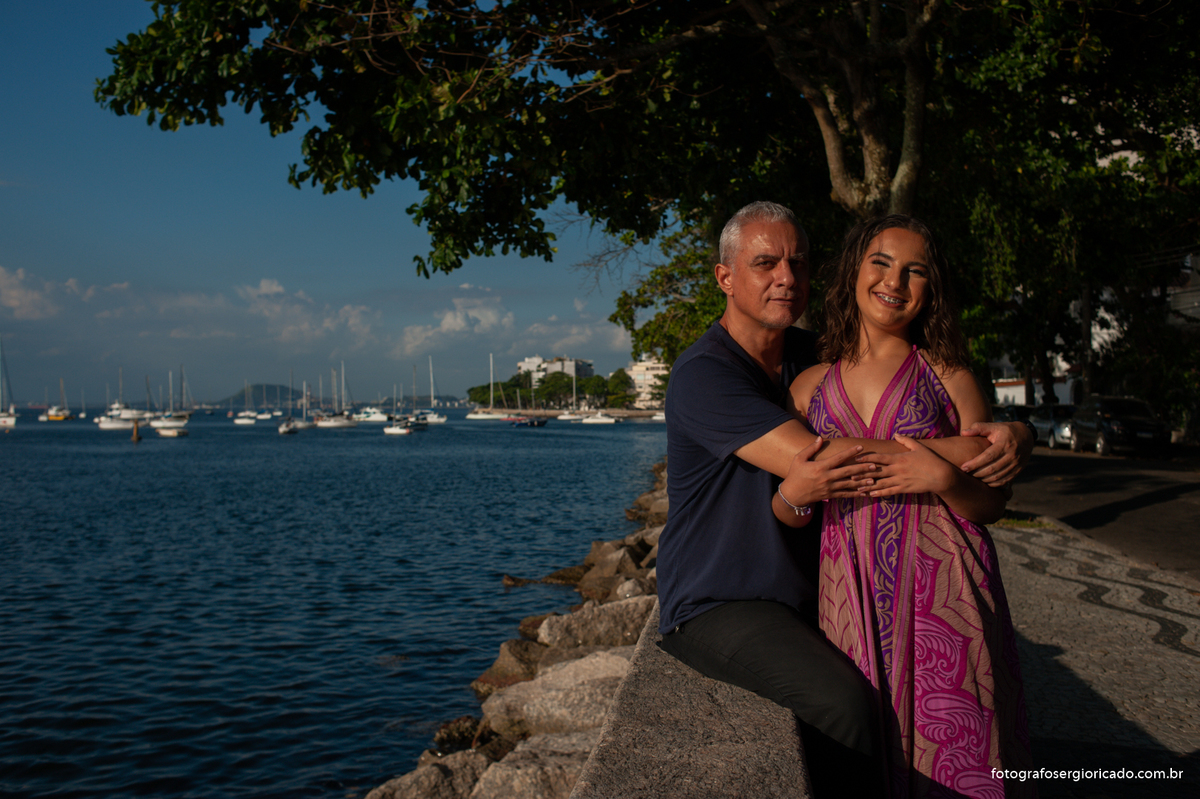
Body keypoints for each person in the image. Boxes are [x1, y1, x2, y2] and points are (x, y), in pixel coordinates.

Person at [657, 201, 1033, 797]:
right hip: (722, 595)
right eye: (765, 263)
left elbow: (815, 486)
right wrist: (960, 453)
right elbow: (825, 461)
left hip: (820, 584)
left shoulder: (815, 354)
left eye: (798, 262)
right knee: (845, 704)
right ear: (725, 277)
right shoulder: (705, 374)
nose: (786, 276)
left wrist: (1015, 433)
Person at [776, 215, 1035, 796]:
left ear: (931, 289)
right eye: (882, 262)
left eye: (916, 270)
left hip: (945, 591)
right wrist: (791, 498)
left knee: (957, 752)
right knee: (860, 749)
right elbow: (790, 503)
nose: (896, 280)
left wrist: (941, 474)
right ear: (852, 272)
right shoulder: (808, 387)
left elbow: (992, 502)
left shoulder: (947, 373)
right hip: (848, 591)